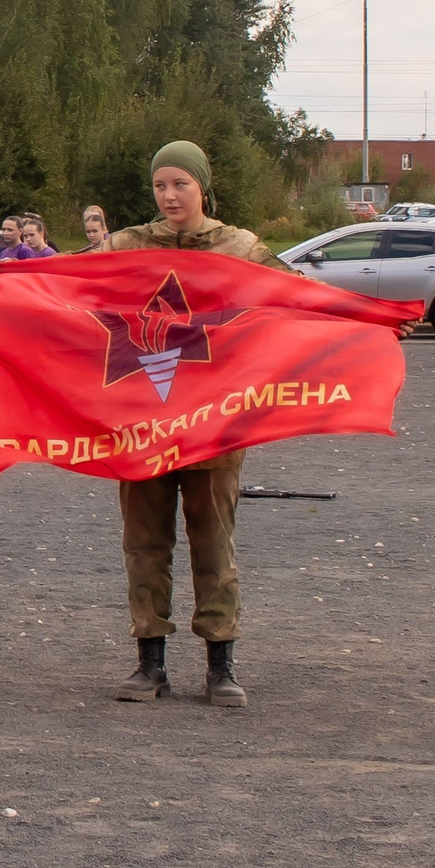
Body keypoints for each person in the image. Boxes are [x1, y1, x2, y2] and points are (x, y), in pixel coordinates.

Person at [104, 140, 302, 709]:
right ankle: (150, 665)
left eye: (180, 184)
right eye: (160, 185)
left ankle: (221, 666)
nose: (168, 196)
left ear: (202, 186)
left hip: (215, 425)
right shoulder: (126, 247)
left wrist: (369, 321)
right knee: (145, 544)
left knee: (213, 542)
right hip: (141, 424)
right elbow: (61, 286)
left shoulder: (239, 248)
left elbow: (298, 297)